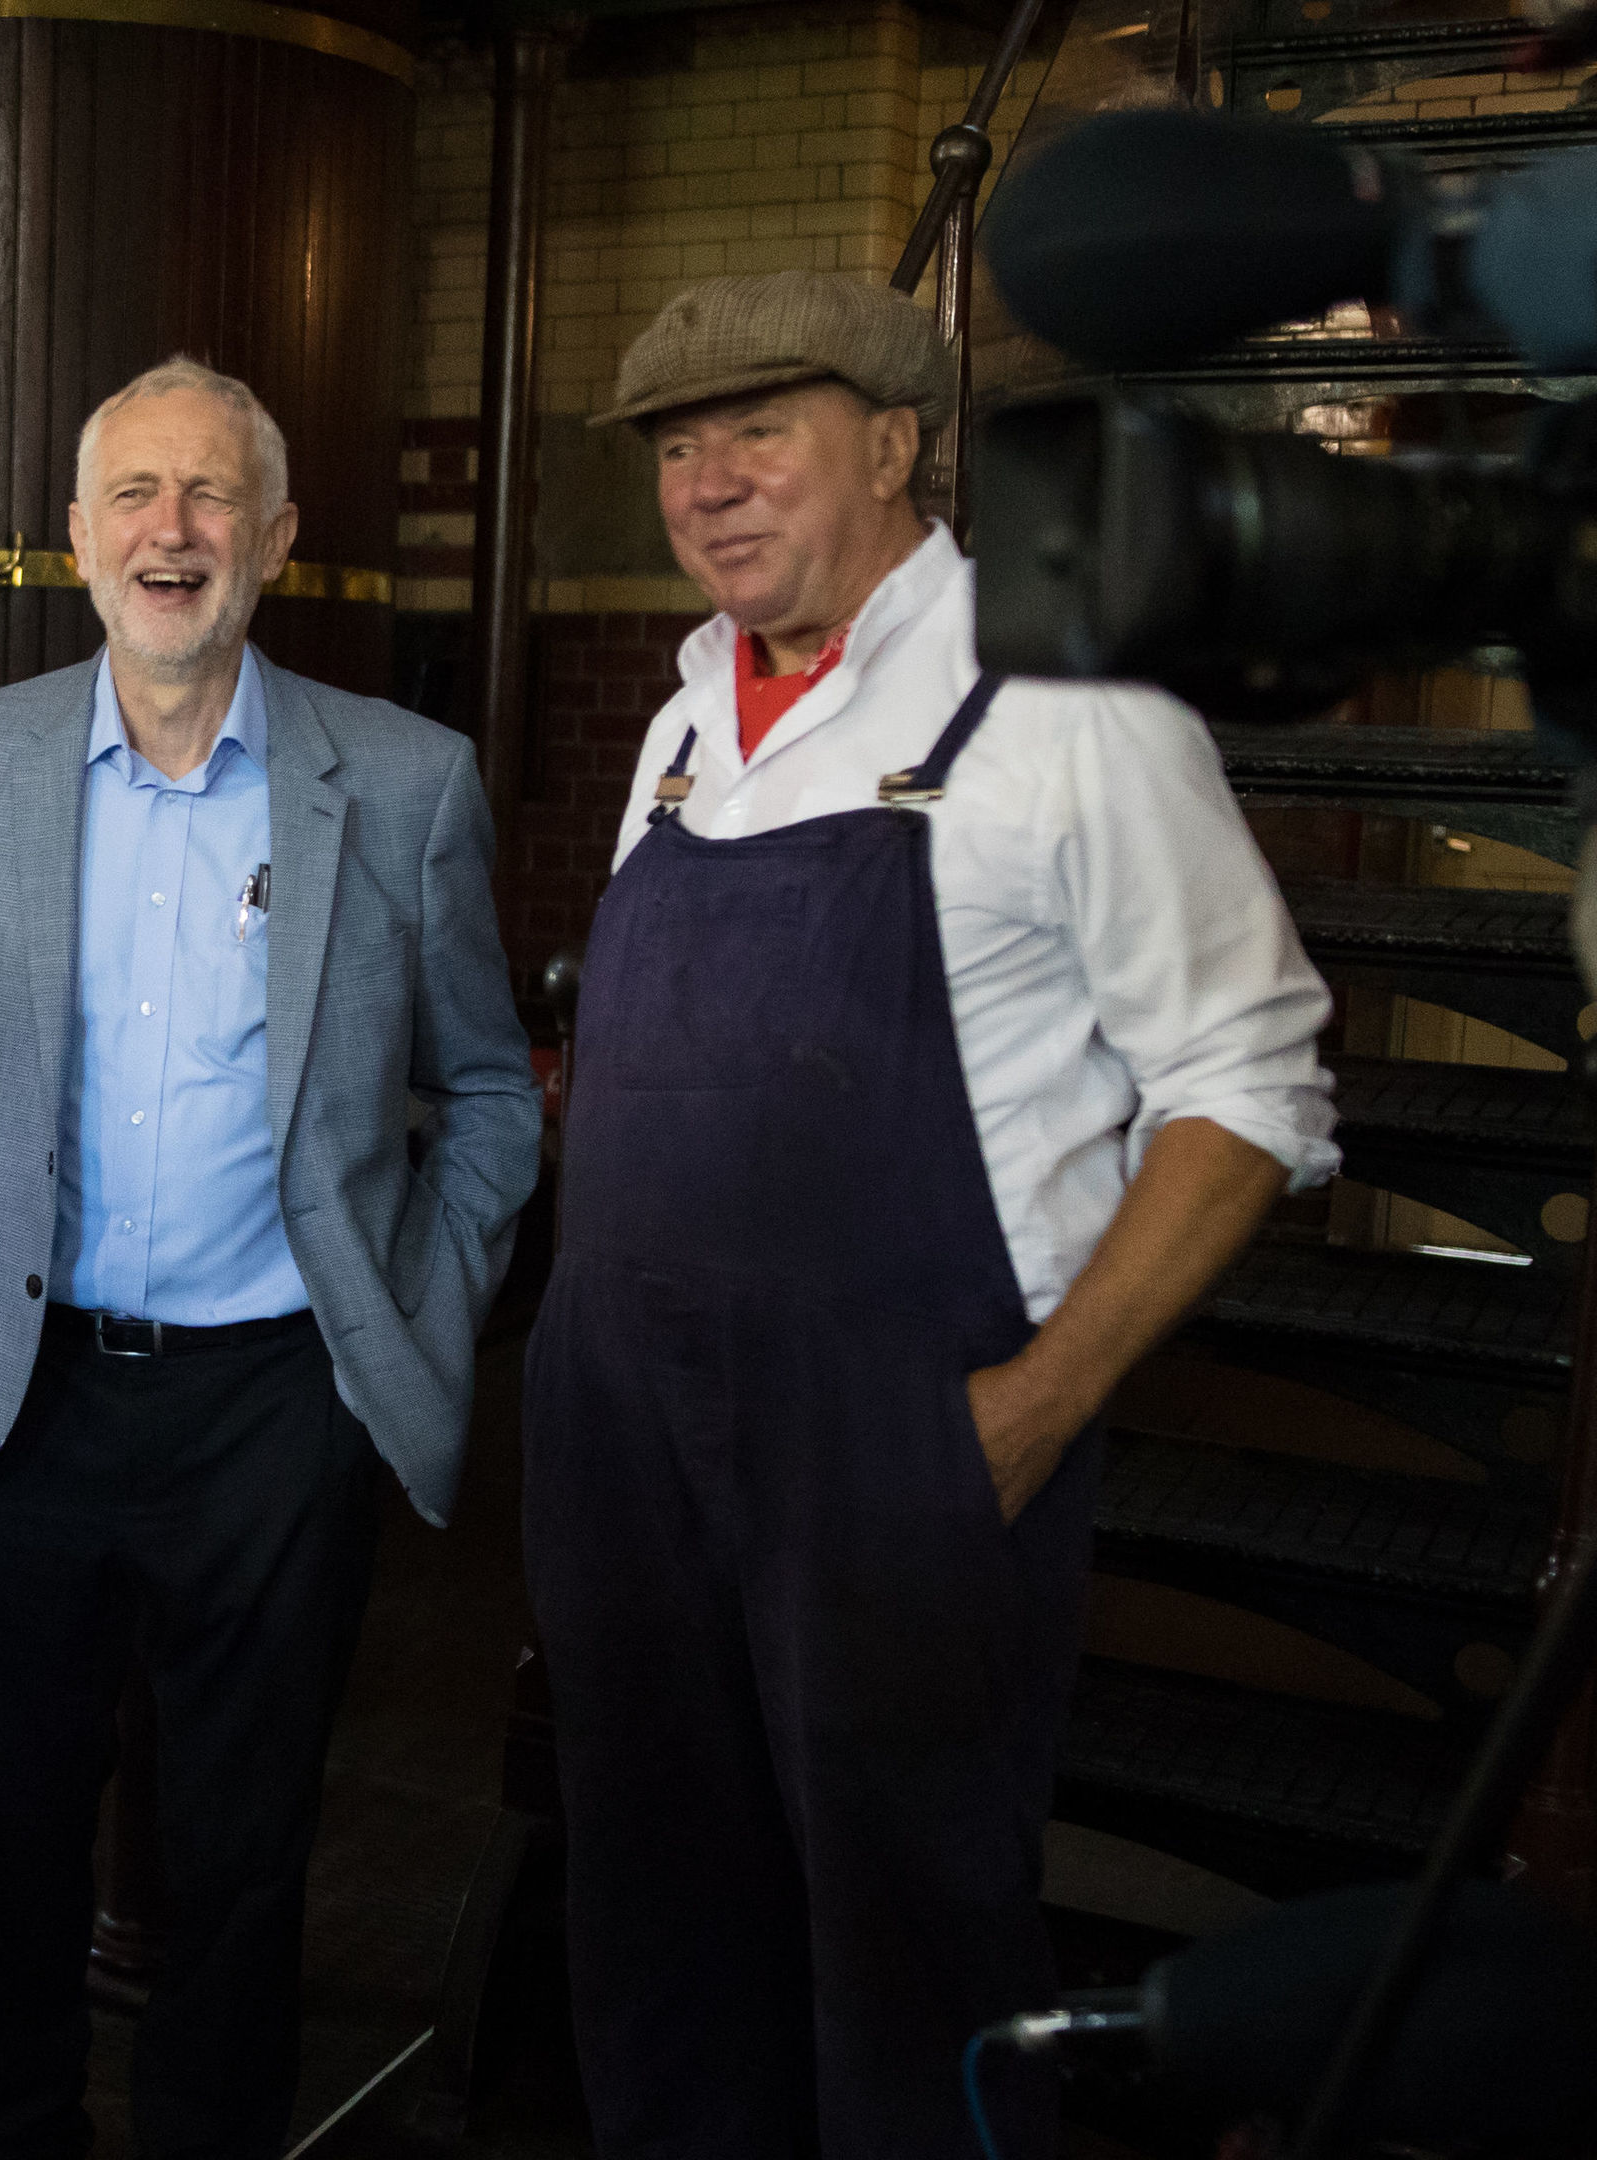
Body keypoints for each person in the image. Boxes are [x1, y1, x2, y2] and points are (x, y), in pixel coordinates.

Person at [526, 270, 1338, 2160]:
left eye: (760, 432)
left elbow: (1253, 1086)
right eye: (674, 444)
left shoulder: (1063, 700)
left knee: (916, 1954)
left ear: (897, 445)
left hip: (896, 1451)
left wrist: (1029, 1411)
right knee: (656, 1918)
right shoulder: (679, 724)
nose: (708, 483)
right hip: (625, 1447)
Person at [0, 356, 542, 2160]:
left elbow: (489, 1090)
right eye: (138, 497)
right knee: (3, 1843)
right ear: (76, 538)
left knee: (243, 1864)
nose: (176, 532)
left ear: (280, 537)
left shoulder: (402, 783)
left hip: (276, 1405)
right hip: (20, 1396)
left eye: (214, 496)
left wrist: (415, 1306)